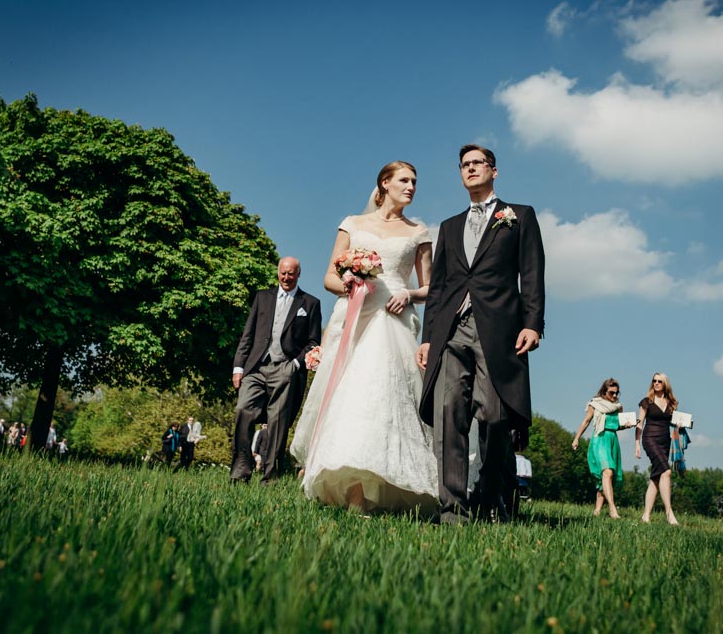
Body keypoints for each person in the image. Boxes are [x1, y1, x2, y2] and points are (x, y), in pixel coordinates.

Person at [291, 161, 438, 514]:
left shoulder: (419, 232)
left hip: (393, 321)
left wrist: (410, 295)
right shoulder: (353, 225)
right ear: (384, 183)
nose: (411, 187)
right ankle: (353, 493)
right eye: (404, 180)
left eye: (415, 181)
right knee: (351, 398)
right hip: (354, 318)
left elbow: (432, 287)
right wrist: (348, 284)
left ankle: (384, 487)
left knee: (383, 398)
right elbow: (329, 275)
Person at [417, 144, 546, 524]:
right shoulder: (450, 226)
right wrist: (427, 336)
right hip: (450, 331)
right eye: (464, 165)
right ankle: (452, 510)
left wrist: (533, 323)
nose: (471, 169)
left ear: (494, 171)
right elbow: (438, 287)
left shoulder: (519, 216)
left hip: (499, 330)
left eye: (478, 163)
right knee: (448, 414)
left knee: (493, 417)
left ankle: (489, 500)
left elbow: (532, 274)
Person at [229, 256, 322, 484]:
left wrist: (296, 365)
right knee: (243, 410)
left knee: (277, 424)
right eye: (283, 273)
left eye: (291, 273)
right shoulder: (262, 297)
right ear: (278, 273)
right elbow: (248, 333)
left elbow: (313, 342)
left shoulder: (309, 303)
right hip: (256, 367)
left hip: (285, 368)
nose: (286, 277)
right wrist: (238, 366)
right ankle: (241, 470)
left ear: (298, 274)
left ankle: (270, 477)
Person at [572, 378, 626, 518]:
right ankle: (613, 509)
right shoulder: (595, 404)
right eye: (611, 393)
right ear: (604, 391)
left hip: (612, 440)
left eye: (617, 393)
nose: (614, 396)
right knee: (607, 472)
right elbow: (587, 421)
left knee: (606, 477)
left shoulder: (618, 407)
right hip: (599, 440)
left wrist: (627, 425)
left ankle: (597, 511)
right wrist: (577, 438)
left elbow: (618, 426)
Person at [635, 372, 680, 525]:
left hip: (665, 441)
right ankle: (669, 513)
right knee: (666, 472)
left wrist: (680, 426)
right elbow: (639, 423)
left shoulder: (671, 403)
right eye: (654, 381)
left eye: (659, 381)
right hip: (650, 439)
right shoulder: (647, 401)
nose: (656, 383)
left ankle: (646, 516)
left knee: (655, 477)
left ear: (665, 384)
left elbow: (674, 424)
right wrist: (637, 444)